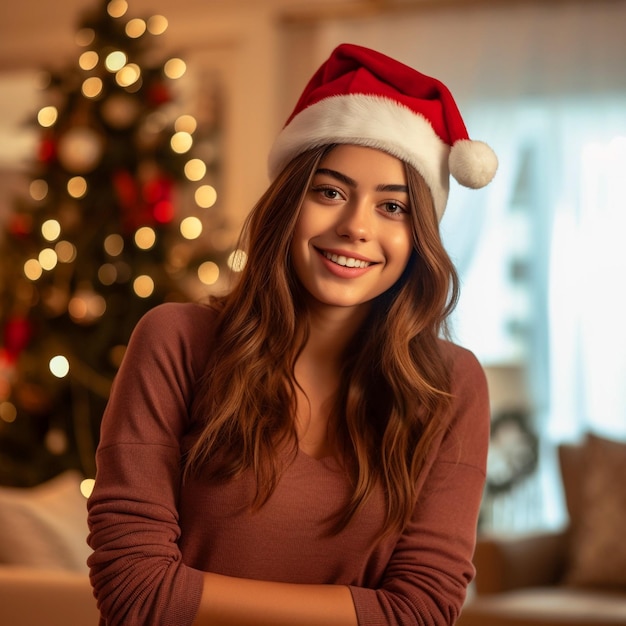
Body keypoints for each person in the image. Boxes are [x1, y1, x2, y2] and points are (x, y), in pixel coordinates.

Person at [87, 43, 498, 626]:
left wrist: (188, 592)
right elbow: (135, 592)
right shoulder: (176, 341)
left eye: (393, 207)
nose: (355, 227)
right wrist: (365, 611)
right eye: (329, 192)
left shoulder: (451, 386)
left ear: (419, 238)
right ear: (288, 203)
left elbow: (423, 612)